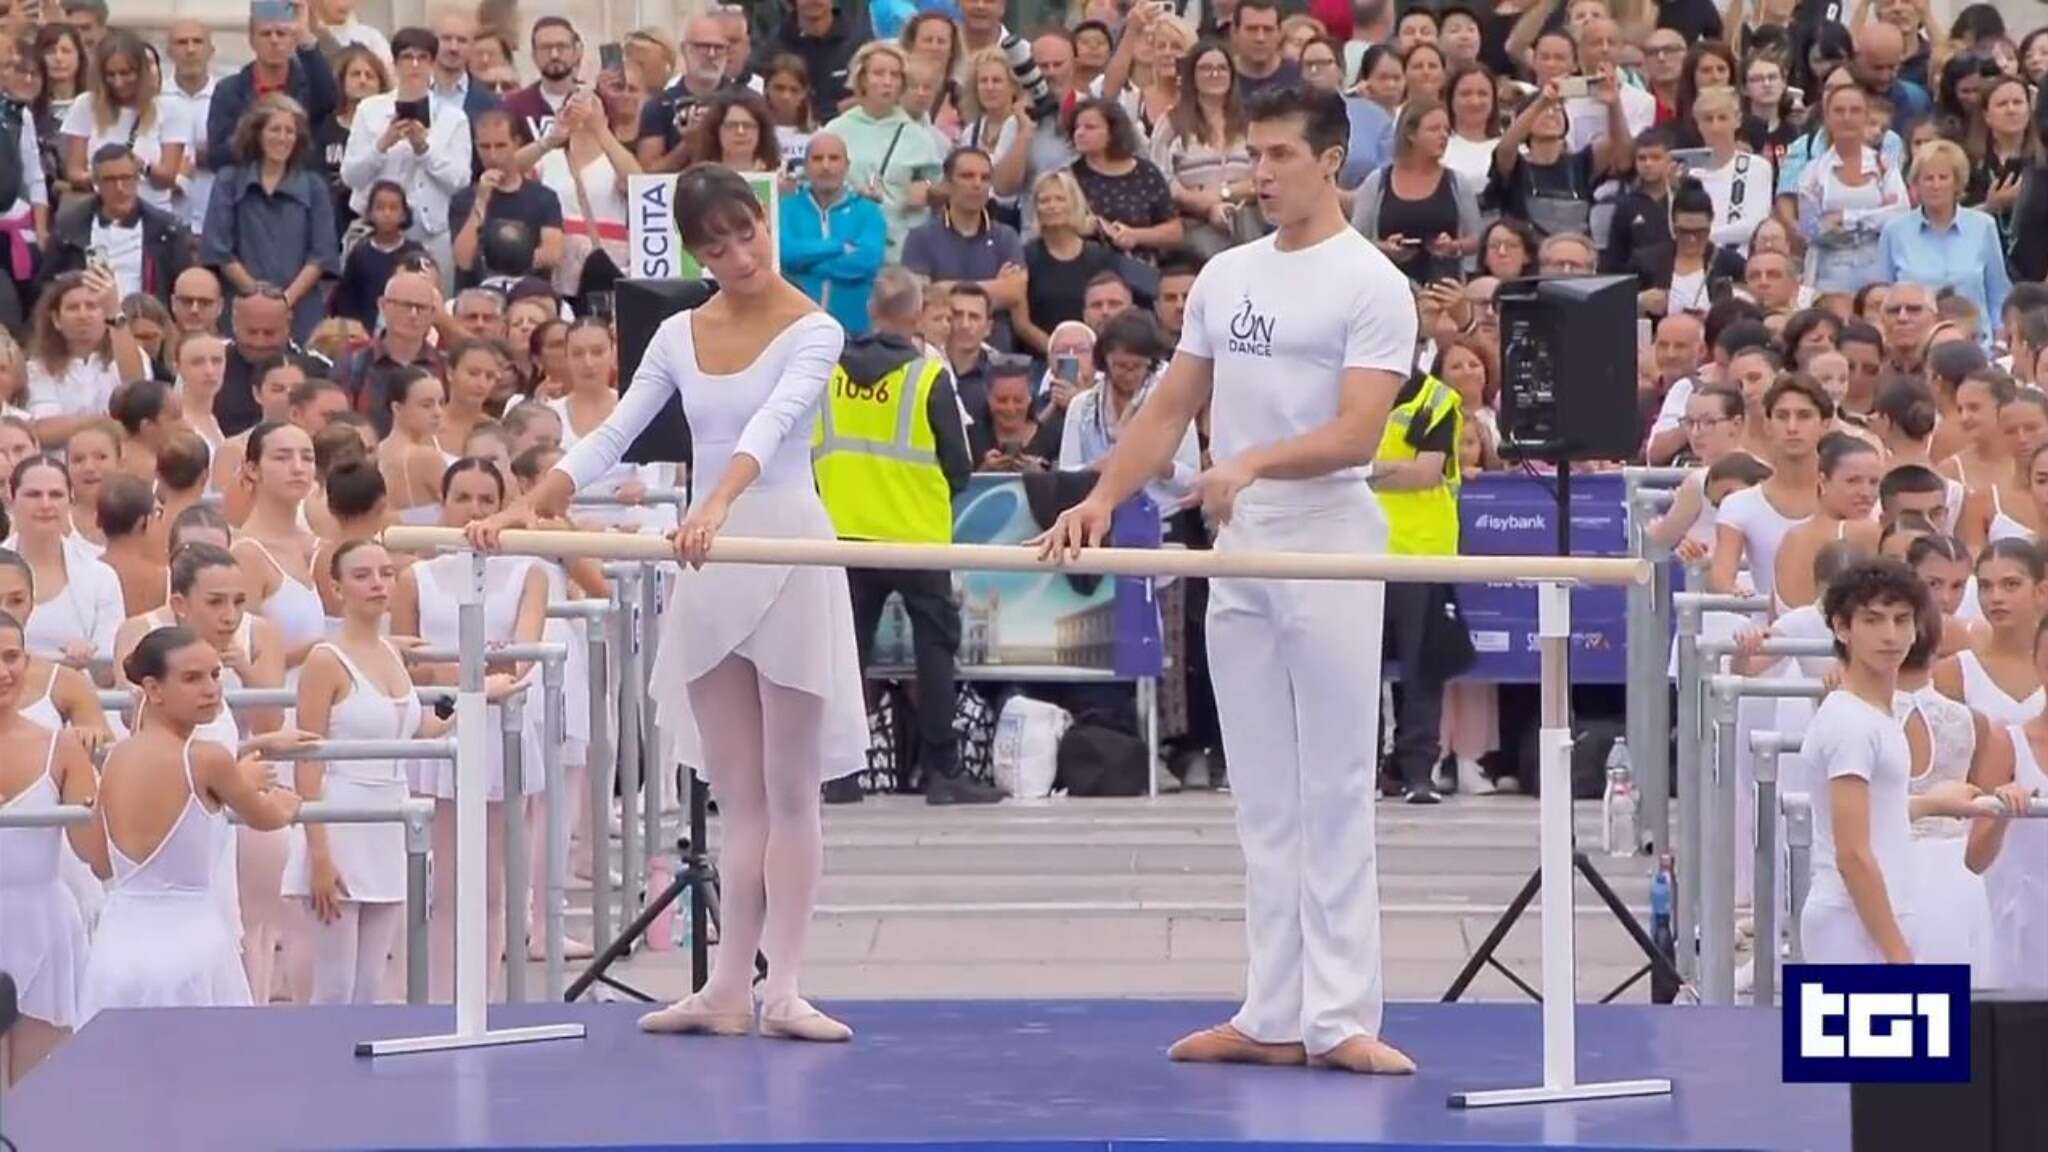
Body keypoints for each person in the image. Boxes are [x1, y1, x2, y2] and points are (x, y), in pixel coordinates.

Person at [1035, 86, 1417, 1074]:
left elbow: (1357, 432)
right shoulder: (1225, 276)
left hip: (1326, 534)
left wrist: (1249, 462)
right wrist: (1101, 496)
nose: (1262, 172)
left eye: (1281, 154)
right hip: (1236, 543)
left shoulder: (1370, 281)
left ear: (1330, 160)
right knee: (1260, 791)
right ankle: (1270, 1010)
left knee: (1332, 783)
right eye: (1254, 154)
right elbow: (1167, 408)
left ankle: (1340, 1018)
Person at [469, 164, 866, 1043]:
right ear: (695, 250)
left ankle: (787, 983)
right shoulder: (680, 333)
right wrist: (528, 505)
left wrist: (718, 502)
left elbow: (773, 425)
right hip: (708, 551)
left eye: (744, 233)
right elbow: (613, 434)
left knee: (792, 787)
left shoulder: (818, 329)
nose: (736, 255)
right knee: (736, 789)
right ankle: (729, 985)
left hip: (781, 537)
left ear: (766, 221)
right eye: (714, 246)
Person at [813, 266, 993, 806]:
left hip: (844, 535)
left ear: (871, 311)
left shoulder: (828, 374)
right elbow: (960, 466)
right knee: (935, 653)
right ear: (917, 316)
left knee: (846, 657)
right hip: (916, 538)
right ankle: (943, 772)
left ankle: (839, 773)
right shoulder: (928, 377)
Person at [78, 626, 303, 1020]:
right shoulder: (206, 758)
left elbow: (99, 861)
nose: (210, 689)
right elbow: (266, 817)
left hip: (118, 946)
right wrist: (285, 802)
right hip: (190, 946)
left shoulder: (116, 758)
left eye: (215, 675)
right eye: (192, 678)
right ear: (153, 688)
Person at [284, 539, 433, 1004]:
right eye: (363, 575)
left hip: (388, 815)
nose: (377, 584)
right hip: (341, 816)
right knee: (335, 980)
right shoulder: (324, 660)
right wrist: (320, 856)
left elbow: (415, 728)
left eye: (386, 573)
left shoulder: (391, 652)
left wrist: (481, 696)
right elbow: (306, 760)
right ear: (337, 587)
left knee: (370, 980)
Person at [1798, 559, 1932, 964]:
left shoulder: (1875, 714)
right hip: (1850, 922)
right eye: (1873, 620)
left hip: (1878, 914)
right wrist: (1896, 953)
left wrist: (1940, 803)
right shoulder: (1850, 721)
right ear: (1843, 628)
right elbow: (1852, 853)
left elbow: (1876, 812)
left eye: (1901, 619)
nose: (1890, 635)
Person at [0, 607, 102, 1086]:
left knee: (37, 1095)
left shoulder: (59, 747)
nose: (4, 672)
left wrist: (97, 775)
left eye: (12, 657)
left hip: (43, 926)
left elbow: (97, 855)